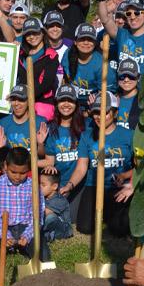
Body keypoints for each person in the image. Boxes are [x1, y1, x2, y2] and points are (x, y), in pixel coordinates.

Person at [75, 93, 135, 237]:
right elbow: (81, 167)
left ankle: (111, 215)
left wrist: (126, 177)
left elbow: (141, 166)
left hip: (119, 188)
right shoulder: (86, 136)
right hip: (94, 185)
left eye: (105, 111)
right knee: (84, 227)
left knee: (119, 230)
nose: (99, 116)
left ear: (115, 113)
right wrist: (70, 185)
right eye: (96, 111)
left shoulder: (129, 135)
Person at [0, 146, 49, 262]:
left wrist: (28, 235)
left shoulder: (33, 186)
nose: (18, 177)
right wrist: (5, 236)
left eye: (23, 173)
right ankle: (8, 246)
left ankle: (22, 246)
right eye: (13, 172)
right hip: (4, 228)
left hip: (26, 227)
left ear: (29, 169)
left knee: (44, 256)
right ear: (5, 166)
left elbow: (38, 216)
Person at [42, 84, 88, 220]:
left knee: (71, 218)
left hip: (77, 184)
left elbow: (82, 166)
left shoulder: (86, 127)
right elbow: (49, 161)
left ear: (76, 104)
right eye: (62, 100)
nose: (66, 104)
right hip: (57, 185)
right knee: (48, 215)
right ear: (56, 104)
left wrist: (70, 185)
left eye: (70, 100)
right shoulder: (50, 129)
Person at [96, 0, 144, 76]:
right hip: (123, 86)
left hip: (143, 90)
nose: (132, 17)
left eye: (137, 13)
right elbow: (105, 19)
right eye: (128, 13)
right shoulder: (121, 34)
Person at [61, 23, 116, 110]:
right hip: (71, 101)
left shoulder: (102, 64)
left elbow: (107, 94)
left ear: (95, 42)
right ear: (75, 41)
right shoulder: (68, 55)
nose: (86, 42)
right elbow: (65, 80)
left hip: (94, 106)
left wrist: (91, 109)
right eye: (82, 39)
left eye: (90, 39)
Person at [17, 17, 59, 121]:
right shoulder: (20, 54)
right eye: (28, 34)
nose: (31, 37)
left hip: (42, 105)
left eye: (35, 32)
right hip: (21, 104)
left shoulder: (51, 55)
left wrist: (22, 96)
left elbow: (45, 84)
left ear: (43, 33)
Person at [0, 83, 47, 152]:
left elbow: (43, 157)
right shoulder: (3, 123)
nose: (16, 103)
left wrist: (40, 144)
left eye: (21, 99)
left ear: (29, 101)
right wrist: (1, 148)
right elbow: (1, 159)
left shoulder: (40, 122)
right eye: (13, 99)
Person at [40, 170, 72, 241]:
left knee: (50, 217)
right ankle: (46, 234)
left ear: (54, 186)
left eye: (43, 185)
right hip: (49, 226)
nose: (39, 187)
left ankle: (47, 235)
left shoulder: (59, 199)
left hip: (63, 229)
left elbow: (44, 212)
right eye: (39, 184)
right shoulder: (43, 197)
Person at [115, 58, 141, 131]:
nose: (126, 80)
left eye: (131, 76)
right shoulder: (111, 99)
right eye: (122, 76)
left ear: (138, 77)